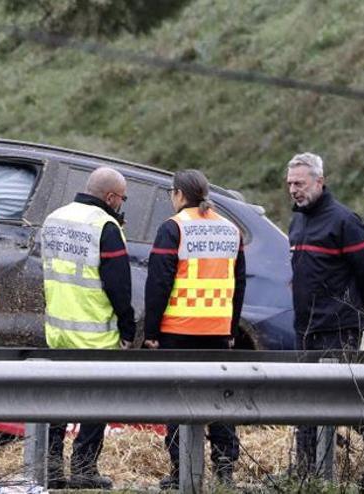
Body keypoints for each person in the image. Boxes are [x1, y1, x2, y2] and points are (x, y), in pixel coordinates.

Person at [143, 169, 245, 489]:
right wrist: (230, 329)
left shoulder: (173, 228)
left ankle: (181, 471)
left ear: (178, 194)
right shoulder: (231, 230)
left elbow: (158, 283)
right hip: (216, 329)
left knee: (180, 401)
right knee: (219, 400)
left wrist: (151, 332)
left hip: (178, 329)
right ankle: (224, 470)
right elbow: (238, 285)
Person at [285, 152, 364, 474]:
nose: (294, 190)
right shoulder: (297, 220)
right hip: (306, 327)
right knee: (305, 401)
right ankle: (305, 468)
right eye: (290, 184)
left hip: (338, 327)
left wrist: (355, 310)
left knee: (343, 399)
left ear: (319, 181)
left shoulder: (344, 221)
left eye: (300, 183)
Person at [41, 166, 136, 490]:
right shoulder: (105, 227)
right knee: (96, 401)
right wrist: (127, 326)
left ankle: (51, 467)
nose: (122, 204)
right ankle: (83, 469)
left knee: (57, 402)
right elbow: (119, 285)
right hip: (95, 333)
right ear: (110, 197)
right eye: (122, 199)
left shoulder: (55, 218)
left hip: (57, 330)